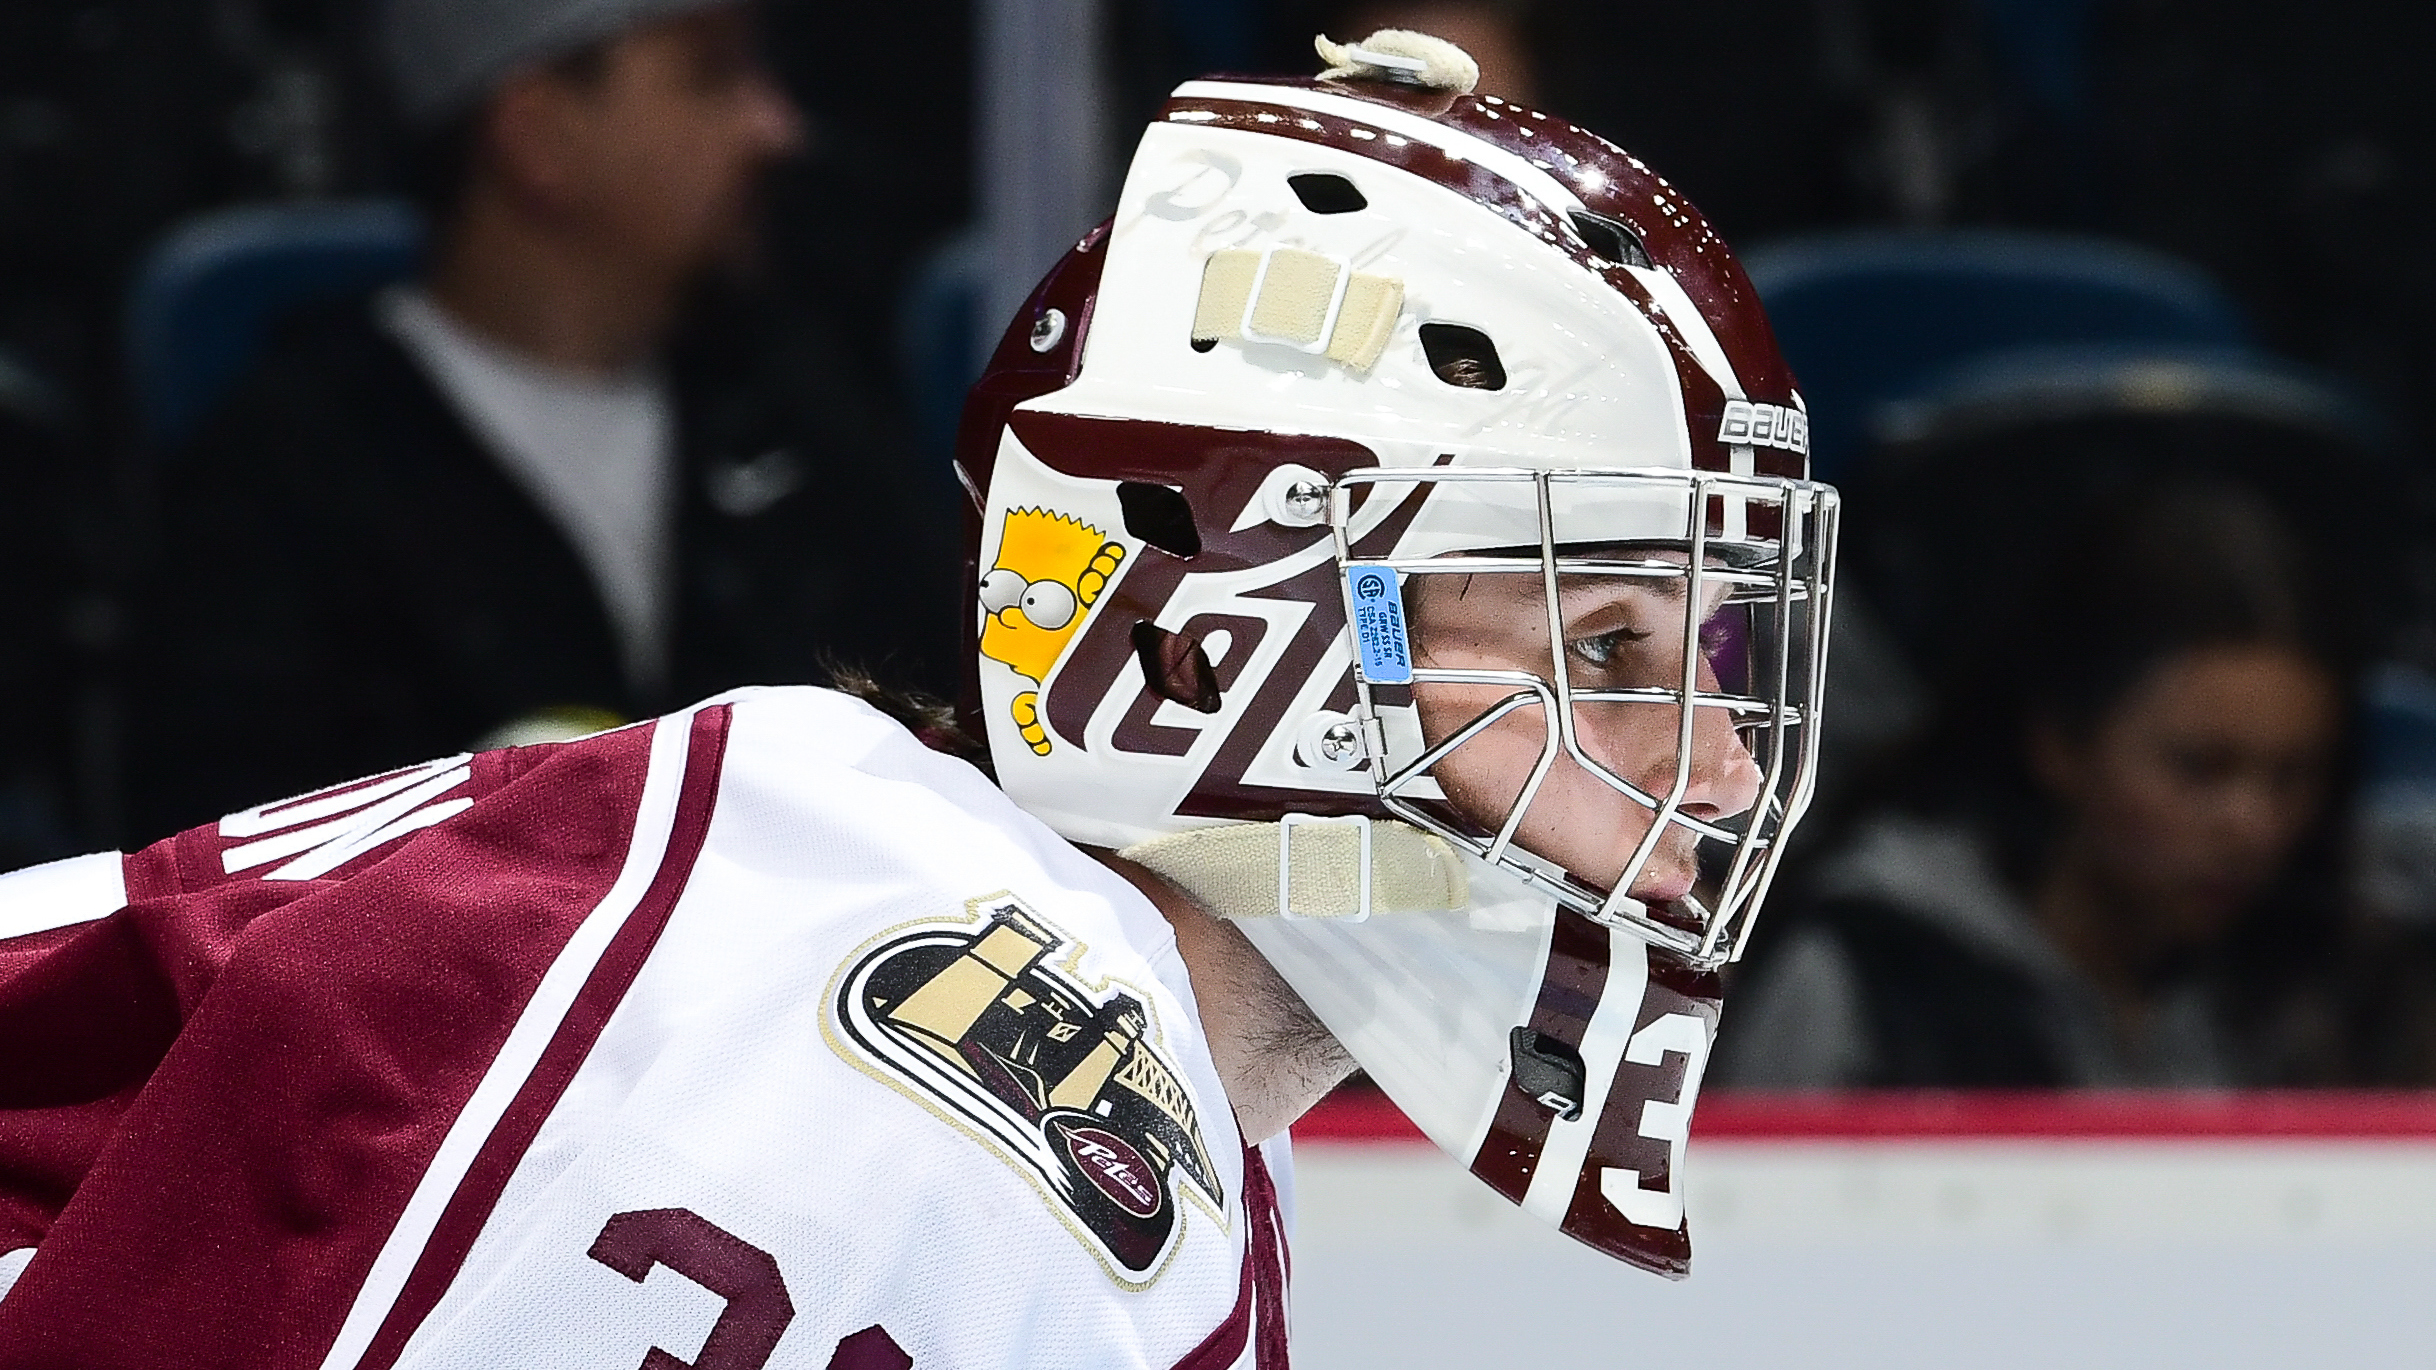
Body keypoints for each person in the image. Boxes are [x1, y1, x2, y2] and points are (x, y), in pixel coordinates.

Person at [0, 31, 1838, 1364]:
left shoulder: (1028, 1010)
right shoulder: (931, 1095)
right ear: (1229, 639)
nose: (1717, 770)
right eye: (1610, 651)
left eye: (1717, 660)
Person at [120, 0, 957, 844]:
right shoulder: (288, 473)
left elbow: (942, 739)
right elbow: (225, 857)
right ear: (537, 135)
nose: (773, 127)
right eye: (710, 75)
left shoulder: (792, 408)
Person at [1719, 478, 2358, 1088]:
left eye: (2292, 775)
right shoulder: (1864, 973)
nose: (2252, 824)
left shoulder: (2323, 991)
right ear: (2058, 743)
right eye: (2199, 767)